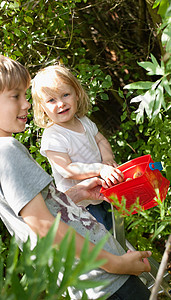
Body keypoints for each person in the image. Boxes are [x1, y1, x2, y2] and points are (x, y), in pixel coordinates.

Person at [0, 54, 151, 300]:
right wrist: (116, 264)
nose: (26, 104)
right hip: (104, 278)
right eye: (16, 96)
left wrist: (76, 194)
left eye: (24, 96)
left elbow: (35, 214)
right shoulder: (7, 152)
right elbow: (44, 227)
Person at [31, 65, 124, 231]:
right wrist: (100, 168)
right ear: (42, 108)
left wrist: (108, 159)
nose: (61, 104)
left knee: (116, 233)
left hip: (101, 193)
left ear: (77, 94)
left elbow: (101, 140)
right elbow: (67, 169)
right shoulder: (53, 136)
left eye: (65, 95)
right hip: (81, 206)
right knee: (100, 240)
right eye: (51, 100)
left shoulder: (84, 121)